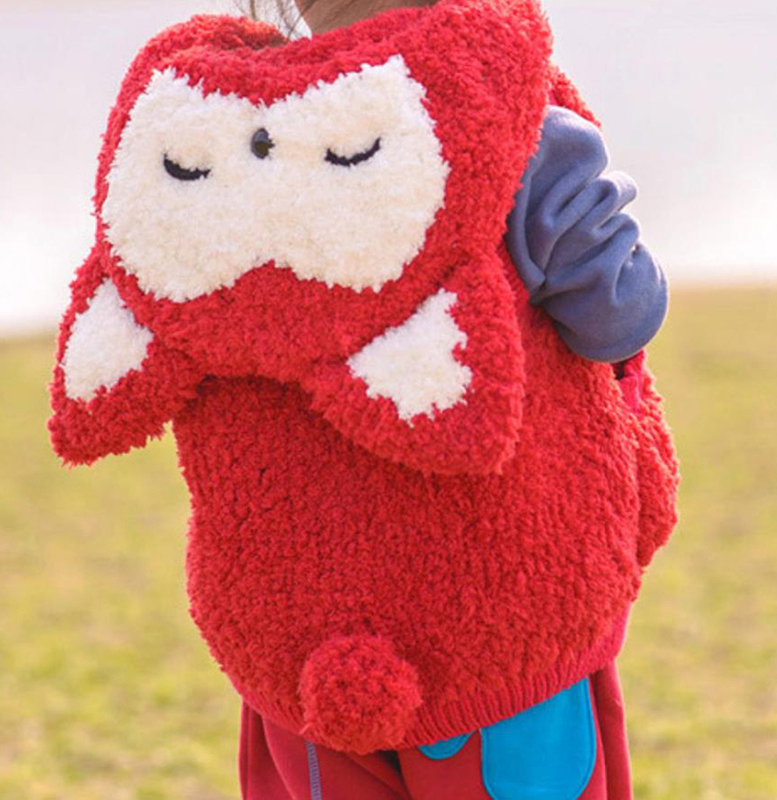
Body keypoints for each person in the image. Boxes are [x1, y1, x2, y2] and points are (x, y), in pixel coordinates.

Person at [237, 0, 667, 798]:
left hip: (305, 636)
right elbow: (616, 317)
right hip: (500, 625)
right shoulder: (514, 117)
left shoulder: (228, 132)